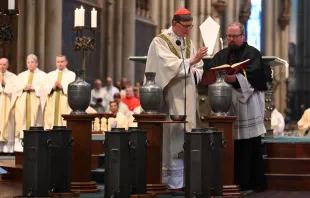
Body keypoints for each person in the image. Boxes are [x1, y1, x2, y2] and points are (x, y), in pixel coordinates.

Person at [145, 8, 207, 193]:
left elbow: (200, 66)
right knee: (174, 136)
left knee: (188, 135)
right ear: (174, 23)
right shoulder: (160, 41)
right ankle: (173, 182)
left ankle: (188, 178)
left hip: (189, 94)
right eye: (186, 26)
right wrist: (191, 62)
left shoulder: (189, 42)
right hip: (172, 96)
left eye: (190, 26)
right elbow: (167, 65)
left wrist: (195, 68)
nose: (188, 30)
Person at [206, 22, 268, 191]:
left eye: (234, 36)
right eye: (229, 36)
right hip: (227, 103)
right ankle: (229, 179)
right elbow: (210, 71)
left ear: (243, 36)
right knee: (229, 143)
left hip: (248, 103)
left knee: (250, 144)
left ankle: (251, 182)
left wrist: (237, 79)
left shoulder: (253, 53)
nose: (231, 39)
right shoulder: (221, 54)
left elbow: (257, 75)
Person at [11, 54, 48, 152]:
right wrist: (23, 88)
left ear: (37, 63)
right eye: (28, 62)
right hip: (22, 105)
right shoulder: (21, 75)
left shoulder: (43, 75)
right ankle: (20, 149)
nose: (30, 64)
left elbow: (46, 89)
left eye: (32, 62)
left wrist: (34, 88)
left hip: (36, 105)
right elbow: (14, 88)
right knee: (21, 123)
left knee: (35, 123)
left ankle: (35, 146)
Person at [42, 55, 76, 129]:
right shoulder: (50, 75)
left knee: (64, 124)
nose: (60, 64)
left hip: (65, 103)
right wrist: (53, 87)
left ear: (66, 62)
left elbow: (74, 89)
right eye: (58, 62)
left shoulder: (72, 75)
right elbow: (44, 89)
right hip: (52, 103)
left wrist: (62, 87)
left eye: (62, 62)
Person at [0, 58, 17, 153]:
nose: (2, 66)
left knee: (7, 123)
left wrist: (4, 85)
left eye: (4, 64)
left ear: (8, 65)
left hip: (7, 105)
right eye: (0, 64)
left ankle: (7, 149)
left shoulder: (13, 77)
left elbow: (14, 90)